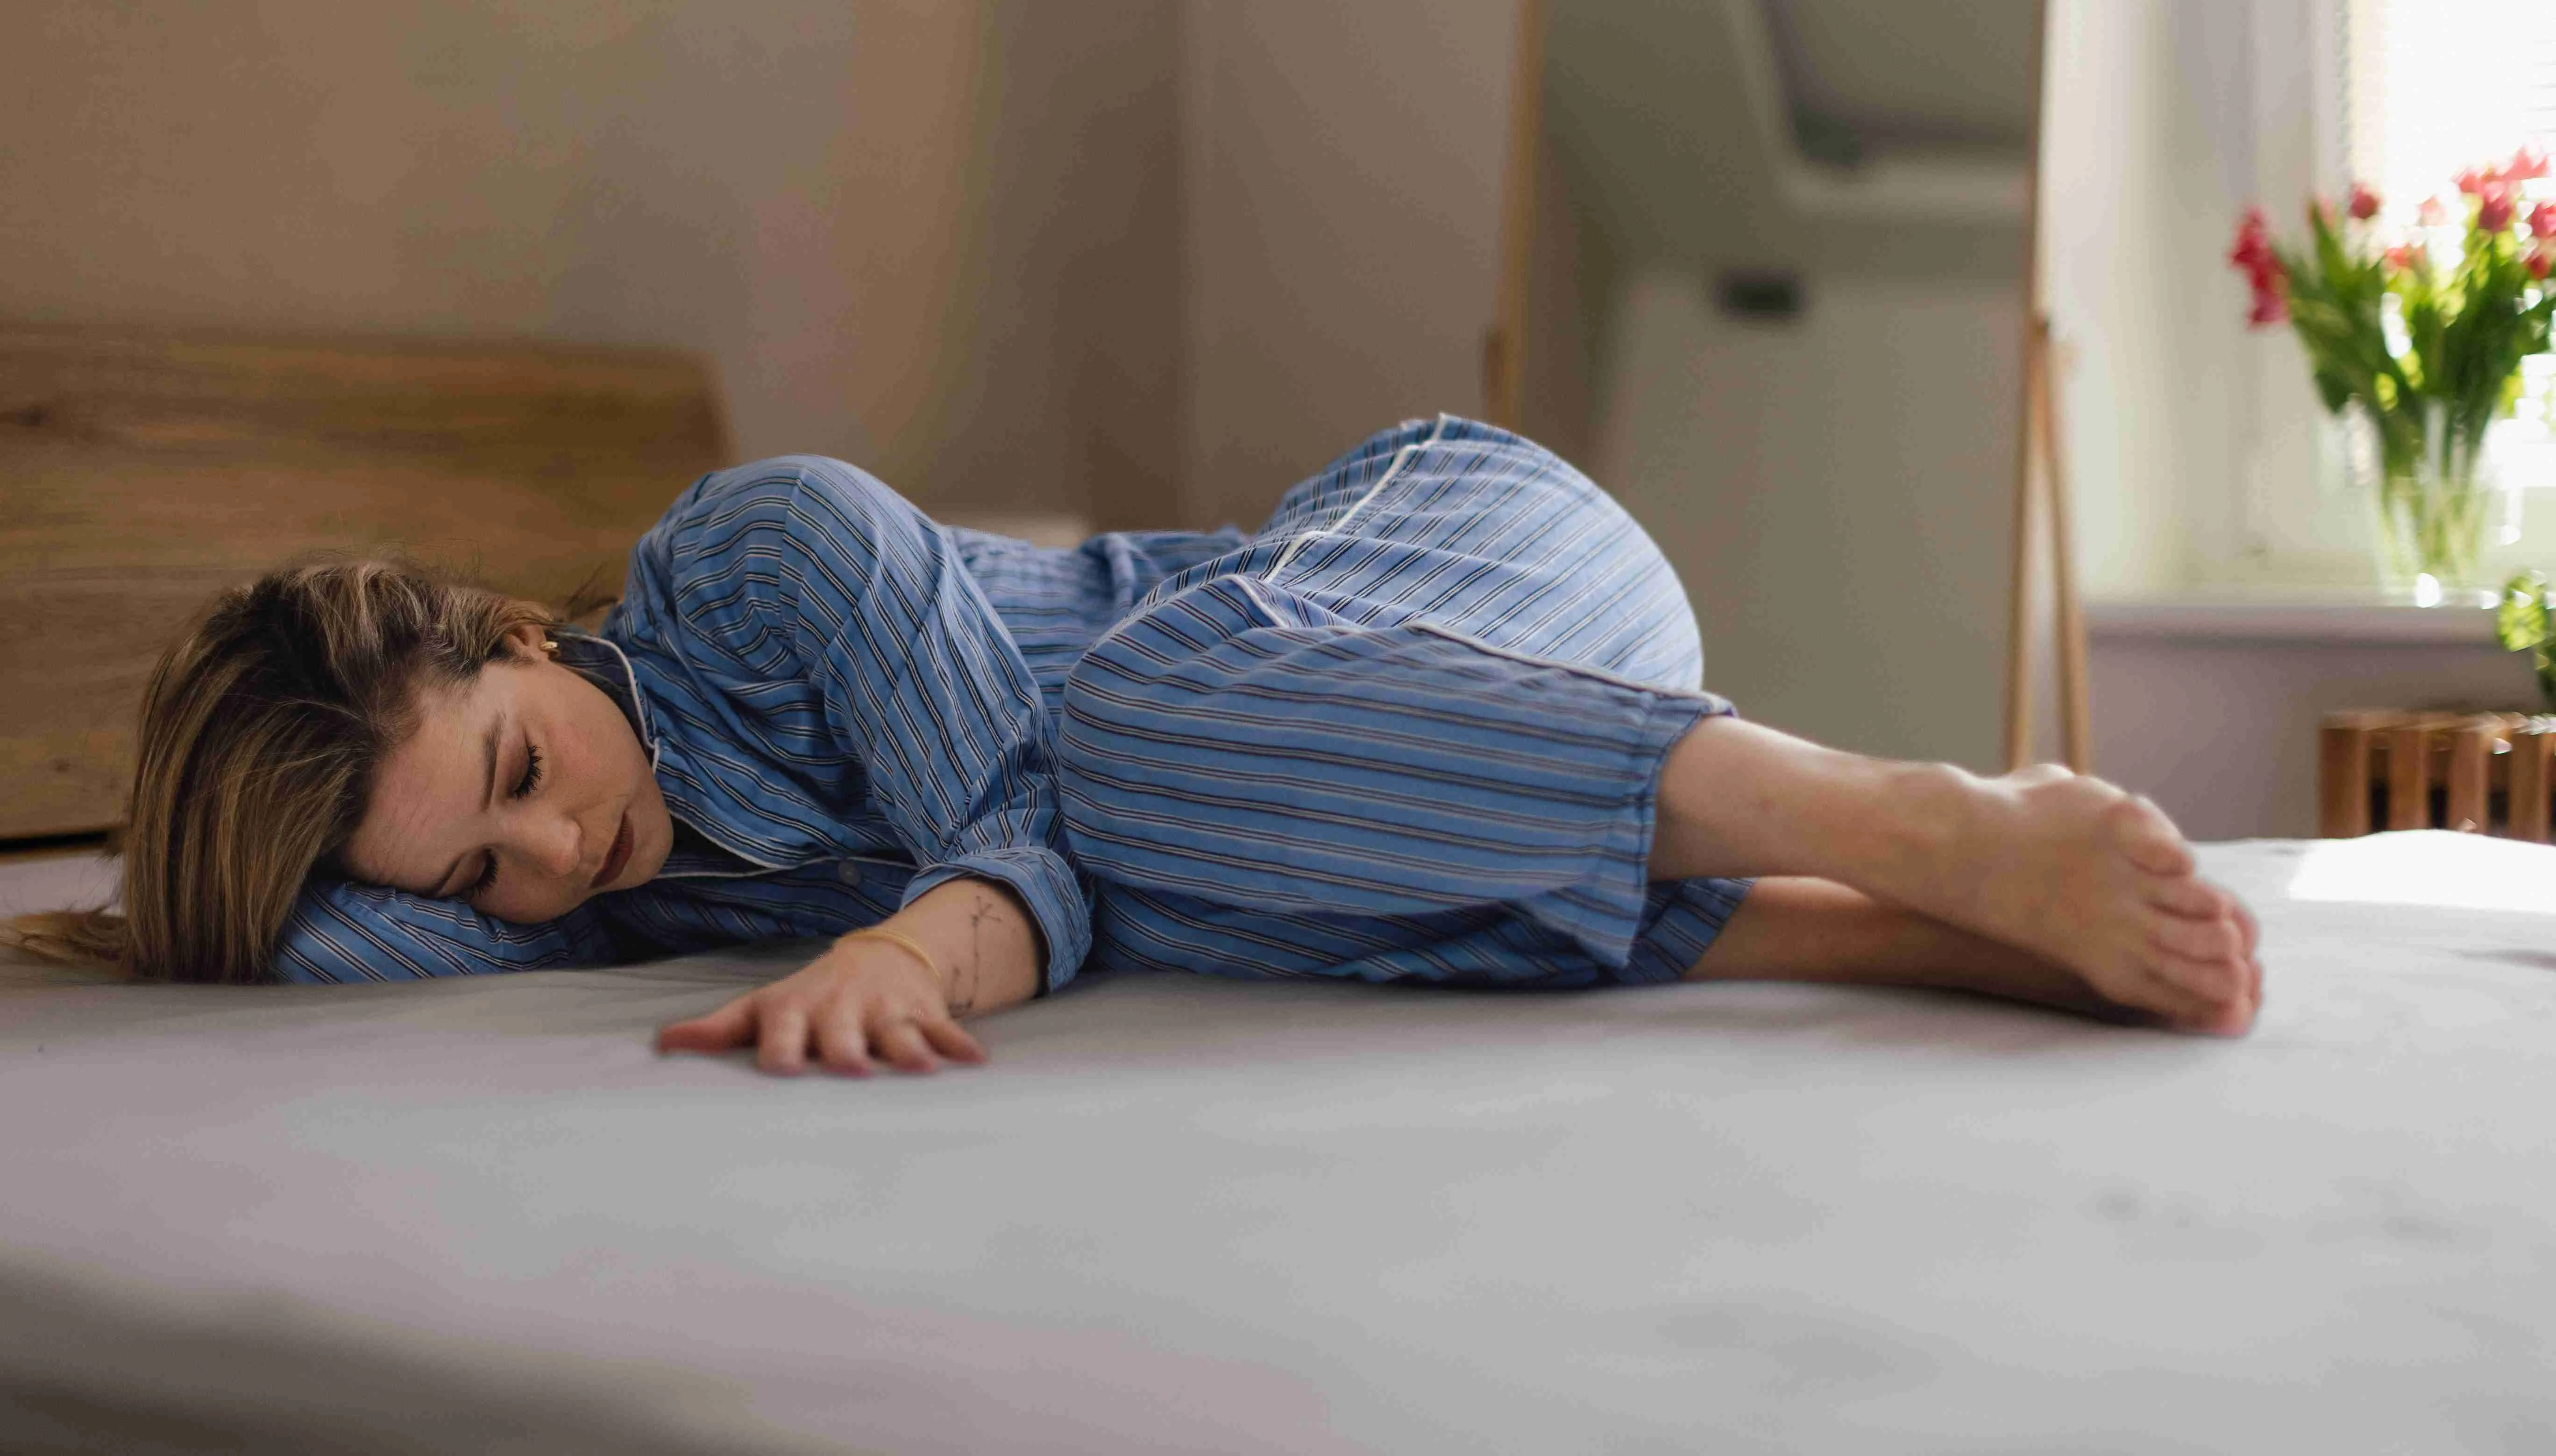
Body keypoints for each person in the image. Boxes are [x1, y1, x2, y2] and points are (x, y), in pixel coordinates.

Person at [3, 417, 2260, 1073]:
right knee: (1213, 906)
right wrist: (235, 882)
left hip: (1465, 556)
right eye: (476, 878)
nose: (557, 859)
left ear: (522, 635)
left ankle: (1914, 817)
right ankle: (1883, 945)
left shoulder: (760, 556)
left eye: (517, 771)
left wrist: (927, 949)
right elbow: (311, 966)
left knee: (1146, 737)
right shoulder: (542, 888)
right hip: (1418, 769)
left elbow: (1047, 828)